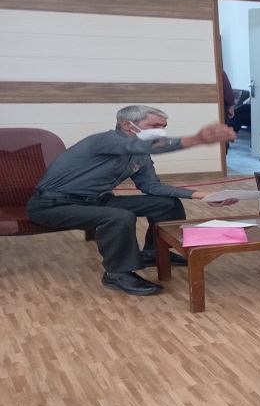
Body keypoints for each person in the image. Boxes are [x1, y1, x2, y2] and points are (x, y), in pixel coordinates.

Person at [26, 105, 237, 297]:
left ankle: (155, 253)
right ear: (127, 125)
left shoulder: (141, 154)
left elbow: (151, 186)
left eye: (163, 127)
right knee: (118, 217)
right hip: (52, 205)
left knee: (166, 204)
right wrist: (195, 140)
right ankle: (117, 274)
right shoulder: (104, 140)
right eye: (155, 126)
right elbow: (142, 146)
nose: (161, 131)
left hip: (97, 201)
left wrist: (201, 195)